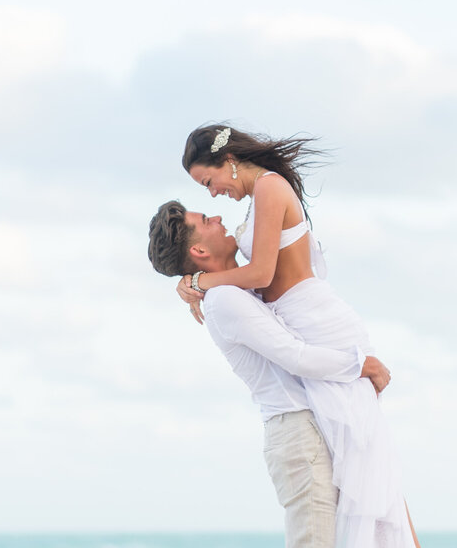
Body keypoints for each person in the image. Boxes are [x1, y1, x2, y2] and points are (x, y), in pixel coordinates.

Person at [174, 124, 420, 548]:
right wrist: (192, 278)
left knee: (370, 472)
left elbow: (263, 273)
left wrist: (199, 280)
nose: (212, 195)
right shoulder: (256, 201)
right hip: (301, 325)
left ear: (229, 162)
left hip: (318, 325)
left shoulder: (270, 187)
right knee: (361, 471)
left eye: (207, 182)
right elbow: (250, 279)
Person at [148, 199, 392, 548]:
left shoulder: (234, 289)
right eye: (205, 219)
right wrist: (362, 365)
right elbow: (295, 356)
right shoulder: (224, 300)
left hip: (311, 428)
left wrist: (194, 280)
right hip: (298, 432)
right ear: (199, 248)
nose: (218, 217)